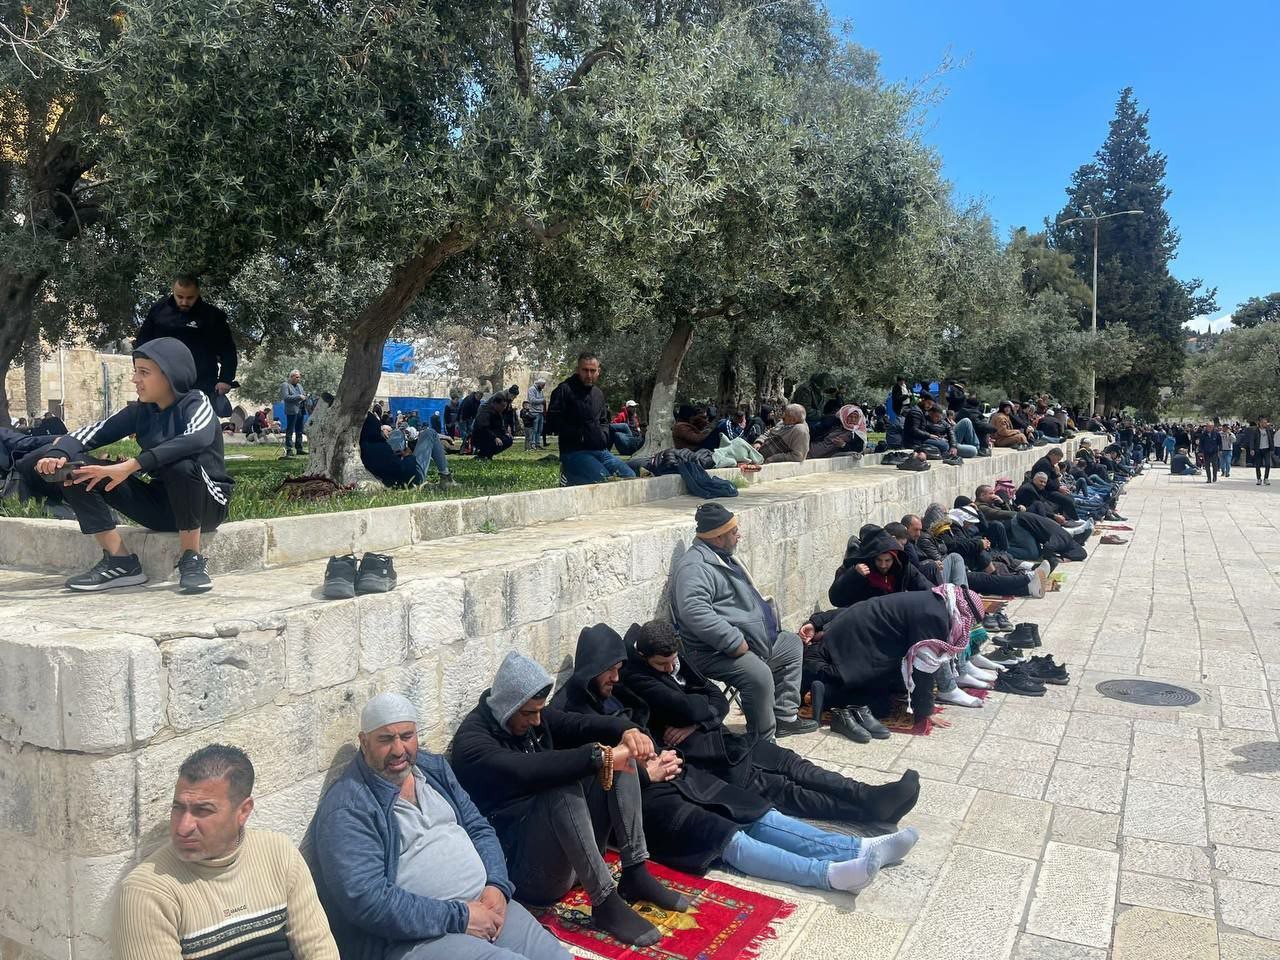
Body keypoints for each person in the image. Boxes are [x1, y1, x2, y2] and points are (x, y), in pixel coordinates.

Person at [554, 624, 916, 893]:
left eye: (619, 668)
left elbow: (708, 701)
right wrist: (647, 771)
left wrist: (659, 751)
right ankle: (828, 875)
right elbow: (588, 774)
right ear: (594, 667)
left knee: (756, 812)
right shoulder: (569, 712)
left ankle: (856, 846)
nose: (617, 678)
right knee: (727, 837)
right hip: (645, 802)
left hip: (681, 773)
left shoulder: (614, 693)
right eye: (611, 670)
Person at [450, 651, 688, 948]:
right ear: (507, 706)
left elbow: (577, 724)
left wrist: (627, 732)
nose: (537, 721)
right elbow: (530, 769)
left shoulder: (527, 713)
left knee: (619, 761)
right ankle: (604, 901)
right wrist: (602, 756)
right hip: (526, 872)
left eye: (540, 712)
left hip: (572, 854)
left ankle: (635, 872)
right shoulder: (473, 744)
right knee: (567, 782)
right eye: (529, 714)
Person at [310, 693, 568, 960]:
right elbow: (368, 901)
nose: (398, 750)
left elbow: (478, 828)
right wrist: (461, 917)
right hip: (416, 939)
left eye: (406, 736)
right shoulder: (348, 808)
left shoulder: (432, 769)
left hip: (485, 905)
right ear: (364, 743)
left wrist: (496, 884)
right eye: (385, 739)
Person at [623, 619, 920, 816]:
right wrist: (699, 711)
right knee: (783, 790)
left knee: (792, 764)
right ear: (645, 657)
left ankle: (868, 794)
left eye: (673, 661)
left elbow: (717, 701)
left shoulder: (674, 659)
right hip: (706, 759)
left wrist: (698, 721)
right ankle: (867, 812)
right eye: (662, 665)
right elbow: (691, 707)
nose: (670, 668)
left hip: (725, 740)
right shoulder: (639, 677)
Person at [16, 339, 232, 594]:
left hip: (208, 505)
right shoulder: (140, 411)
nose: (134, 379)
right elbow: (86, 435)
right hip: (162, 508)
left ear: (170, 375)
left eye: (144, 372)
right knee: (78, 471)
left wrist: (131, 466)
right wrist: (57, 454)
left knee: (180, 464)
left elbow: (195, 439)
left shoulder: (196, 402)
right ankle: (121, 561)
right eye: (135, 371)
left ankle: (192, 559)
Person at [113, 745, 339, 960]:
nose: (183, 827)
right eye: (178, 808)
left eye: (203, 810)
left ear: (243, 811)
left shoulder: (279, 854)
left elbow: (319, 949)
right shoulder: (148, 891)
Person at [669, 503, 816, 741]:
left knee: (791, 645)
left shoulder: (722, 556)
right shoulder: (695, 567)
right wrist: (733, 641)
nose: (739, 535)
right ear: (718, 536)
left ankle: (784, 717)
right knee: (758, 675)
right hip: (712, 651)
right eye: (734, 531)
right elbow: (695, 611)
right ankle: (762, 740)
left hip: (749, 641)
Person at [135, 273, 238, 416]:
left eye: (190, 298)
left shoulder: (213, 317)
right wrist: (141, 372)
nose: (184, 302)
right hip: (162, 382)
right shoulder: (158, 312)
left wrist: (225, 379)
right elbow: (142, 345)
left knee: (195, 422)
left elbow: (228, 350)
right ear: (173, 291)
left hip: (201, 384)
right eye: (180, 297)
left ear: (198, 293)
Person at [546, 352, 636, 485]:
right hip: (574, 452)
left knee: (630, 476)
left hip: (600, 451)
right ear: (578, 370)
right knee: (603, 480)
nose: (589, 375)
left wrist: (603, 436)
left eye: (592, 371)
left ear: (598, 371)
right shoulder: (563, 390)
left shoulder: (598, 394)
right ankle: (568, 475)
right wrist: (577, 433)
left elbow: (604, 421)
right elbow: (552, 421)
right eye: (585, 370)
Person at [359, 411, 456, 488]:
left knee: (397, 433)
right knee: (430, 433)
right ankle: (446, 477)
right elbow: (399, 469)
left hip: (389, 474)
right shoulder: (380, 446)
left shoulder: (362, 448)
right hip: (411, 477)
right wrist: (409, 457)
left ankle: (400, 433)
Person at [471, 392, 514, 460]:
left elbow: (500, 426)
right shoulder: (485, 411)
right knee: (495, 441)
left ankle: (488, 454)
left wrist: (505, 433)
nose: (504, 408)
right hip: (481, 436)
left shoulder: (498, 412)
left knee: (508, 439)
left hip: (492, 433)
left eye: (505, 406)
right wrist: (494, 437)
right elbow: (483, 428)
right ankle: (482, 454)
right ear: (496, 404)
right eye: (502, 406)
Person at [281, 369, 308, 458]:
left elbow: (303, 395)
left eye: (299, 377)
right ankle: (289, 449)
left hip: (301, 410)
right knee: (290, 430)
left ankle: (299, 448)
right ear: (291, 377)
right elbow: (286, 397)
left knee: (299, 430)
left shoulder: (299, 386)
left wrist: (305, 396)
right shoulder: (286, 385)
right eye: (297, 377)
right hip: (292, 411)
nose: (298, 379)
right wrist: (299, 397)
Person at [1245, 417, 1274, 486]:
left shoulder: (1269, 430)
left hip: (1266, 449)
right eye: (1264, 423)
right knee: (1258, 465)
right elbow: (1252, 440)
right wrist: (1252, 449)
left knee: (1268, 464)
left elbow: (1271, 439)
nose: (1265, 424)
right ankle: (1259, 478)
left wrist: (1272, 448)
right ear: (1260, 423)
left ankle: (1266, 478)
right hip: (1258, 450)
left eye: (1266, 422)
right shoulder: (1255, 430)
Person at [526, 377, 548, 448]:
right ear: (539, 384)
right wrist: (542, 400)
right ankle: (533, 444)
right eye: (543, 385)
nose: (543, 387)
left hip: (540, 412)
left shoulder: (540, 390)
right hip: (534, 412)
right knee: (534, 430)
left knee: (540, 430)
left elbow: (542, 400)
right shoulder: (532, 389)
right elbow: (532, 400)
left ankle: (537, 444)